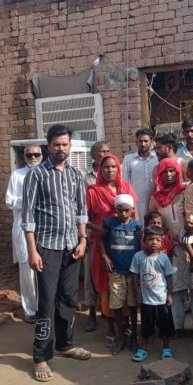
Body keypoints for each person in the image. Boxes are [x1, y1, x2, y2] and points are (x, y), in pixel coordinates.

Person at [23, 124, 92, 382]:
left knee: (68, 298)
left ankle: (65, 343)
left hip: (72, 246)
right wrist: (32, 251)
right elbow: (28, 217)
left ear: (69, 146)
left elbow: (81, 211)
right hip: (47, 247)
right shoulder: (37, 175)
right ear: (48, 146)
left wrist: (83, 239)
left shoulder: (76, 175)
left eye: (65, 144)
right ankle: (41, 355)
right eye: (56, 145)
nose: (60, 148)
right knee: (47, 301)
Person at [149, 158, 193, 340]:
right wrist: (166, 237)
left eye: (172, 171)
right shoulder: (155, 199)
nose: (169, 175)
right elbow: (153, 222)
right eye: (164, 172)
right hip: (173, 248)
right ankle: (177, 326)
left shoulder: (188, 189)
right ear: (159, 175)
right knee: (177, 288)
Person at [86, 153, 139, 348]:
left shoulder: (125, 187)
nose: (110, 170)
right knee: (106, 285)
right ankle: (110, 327)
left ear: (119, 168)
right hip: (103, 245)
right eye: (105, 167)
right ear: (100, 170)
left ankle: (126, 326)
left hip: (127, 243)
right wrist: (97, 229)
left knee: (128, 285)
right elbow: (84, 217)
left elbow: (135, 212)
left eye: (113, 167)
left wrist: (138, 230)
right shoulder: (93, 190)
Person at [5, 145, 43, 323]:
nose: (33, 157)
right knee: (27, 270)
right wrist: (29, 200)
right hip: (22, 227)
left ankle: (45, 306)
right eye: (29, 155)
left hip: (44, 228)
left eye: (36, 154)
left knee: (46, 268)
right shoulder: (17, 175)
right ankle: (30, 309)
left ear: (42, 156)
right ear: (24, 157)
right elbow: (10, 201)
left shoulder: (47, 173)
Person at [99, 194, 142, 355]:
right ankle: (120, 337)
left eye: (126, 210)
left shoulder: (137, 227)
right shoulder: (110, 224)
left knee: (132, 305)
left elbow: (141, 246)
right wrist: (104, 256)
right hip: (116, 272)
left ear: (132, 210)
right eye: (120, 210)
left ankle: (134, 338)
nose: (123, 214)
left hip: (132, 273)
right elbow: (100, 239)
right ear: (115, 210)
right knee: (116, 305)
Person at [130, 225, 175, 362]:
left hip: (161, 300)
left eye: (157, 240)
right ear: (144, 240)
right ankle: (143, 348)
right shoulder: (138, 257)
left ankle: (166, 347)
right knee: (146, 326)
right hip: (146, 301)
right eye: (150, 239)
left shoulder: (164, 258)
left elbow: (169, 277)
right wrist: (137, 293)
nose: (154, 242)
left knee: (164, 326)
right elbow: (134, 276)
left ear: (162, 242)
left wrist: (169, 295)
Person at [83, 141, 110, 331]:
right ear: (94, 155)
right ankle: (91, 312)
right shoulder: (84, 178)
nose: (105, 155)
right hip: (93, 234)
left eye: (108, 152)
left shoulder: (115, 175)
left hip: (113, 234)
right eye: (101, 152)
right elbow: (82, 210)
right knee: (91, 275)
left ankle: (111, 313)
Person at [122, 128, 158, 222]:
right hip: (136, 203)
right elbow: (124, 182)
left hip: (155, 200)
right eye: (140, 141)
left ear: (151, 142)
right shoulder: (129, 159)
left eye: (146, 141)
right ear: (136, 142)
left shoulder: (157, 158)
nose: (143, 144)